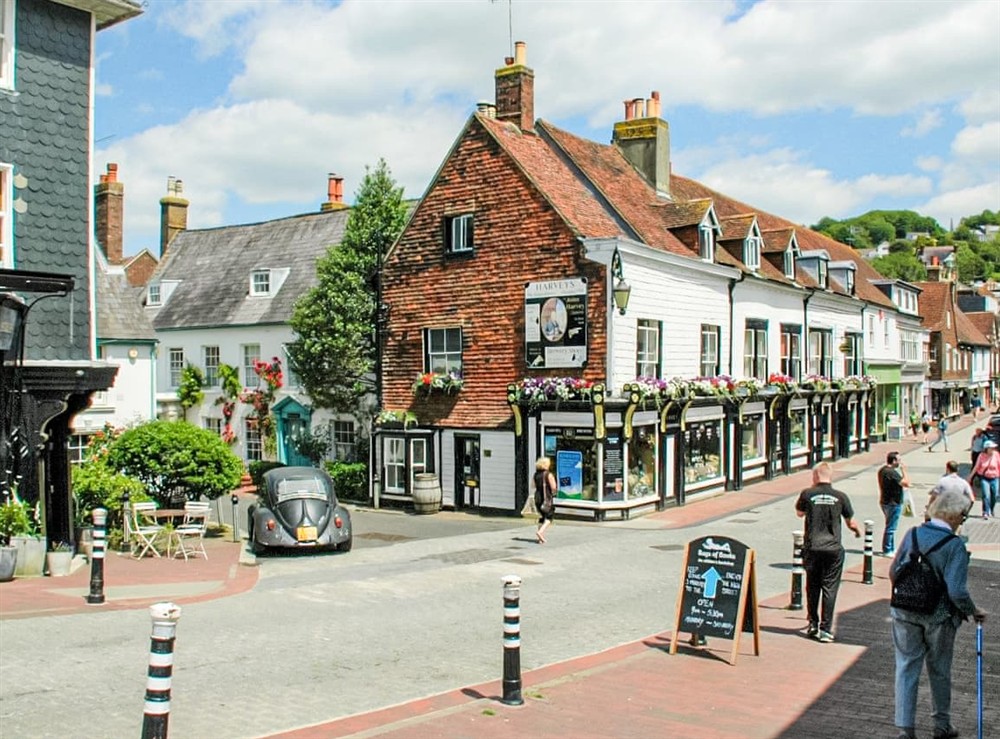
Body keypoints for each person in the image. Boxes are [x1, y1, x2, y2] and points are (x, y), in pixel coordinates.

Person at [891, 490, 987, 739]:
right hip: (938, 615)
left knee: (906, 666)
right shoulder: (954, 545)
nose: (963, 520)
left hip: (903, 609)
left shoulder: (912, 533)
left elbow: (894, 572)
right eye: (963, 516)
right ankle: (942, 725)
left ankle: (905, 729)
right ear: (954, 515)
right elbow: (957, 591)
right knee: (940, 669)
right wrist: (973, 611)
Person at [795, 461, 862, 643]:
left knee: (812, 585)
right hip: (833, 548)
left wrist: (812, 490)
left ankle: (813, 624)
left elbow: (799, 513)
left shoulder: (807, 493)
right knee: (830, 587)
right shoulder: (840, 496)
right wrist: (857, 531)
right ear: (830, 476)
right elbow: (851, 522)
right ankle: (826, 630)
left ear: (815, 476)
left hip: (812, 547)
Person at [877, 451, 910, 556]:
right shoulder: (892, 473)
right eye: (899, 460)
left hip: (884, 501)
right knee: (891, 527)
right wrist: (904, 471)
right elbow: (906, 483)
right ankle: (887, 549)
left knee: (889, 525)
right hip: (893, 502)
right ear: (894, 460)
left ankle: (891, 547)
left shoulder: (882, 470)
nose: (900, 462)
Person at [968, 438, 1000, 519]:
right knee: (986, 495)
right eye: (991, 448)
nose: (993, 449)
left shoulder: (996, 454)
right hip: (984, 478)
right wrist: (970, 477)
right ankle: (985, 512)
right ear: (986, 449)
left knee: (995, 494)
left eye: (993, 448)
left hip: (995, 477)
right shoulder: (981, 456)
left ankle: (991, 509)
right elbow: (976, 466)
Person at [533, 457, 556, 543]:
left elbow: (533, 486)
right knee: (549, 517)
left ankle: (540, 539)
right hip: (546, 498)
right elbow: (553, 487)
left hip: (537, 497)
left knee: (541, 516)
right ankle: (540, 532)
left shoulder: (536, 475)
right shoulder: (548, 475)